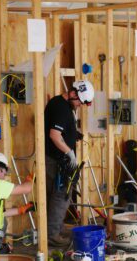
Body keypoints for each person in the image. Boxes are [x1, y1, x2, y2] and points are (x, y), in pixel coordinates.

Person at [45, 80, 94, 247]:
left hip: (58, 159)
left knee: (60, 195)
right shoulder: (60, 107)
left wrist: (74, 134)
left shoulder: (63, 105)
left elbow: (62, 129)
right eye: (79, 102)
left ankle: (57, 228)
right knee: (61, 195)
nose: (79, 105)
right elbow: (54, 135)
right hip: (56, 160)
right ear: (73, 93)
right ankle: (52, 235)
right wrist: (69, 152)